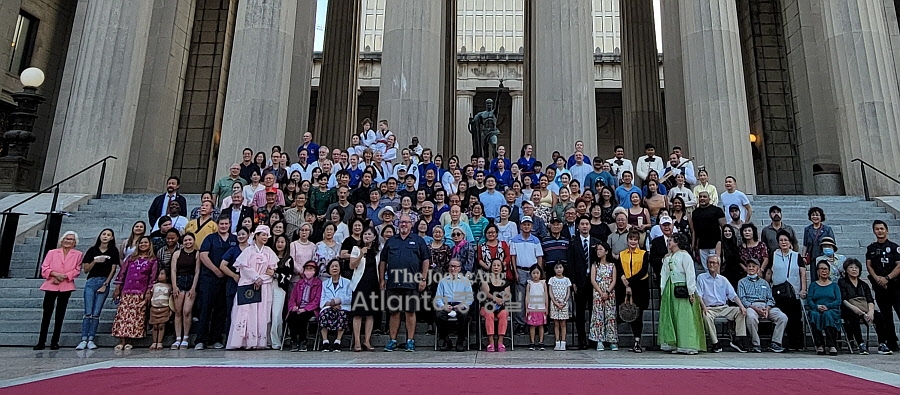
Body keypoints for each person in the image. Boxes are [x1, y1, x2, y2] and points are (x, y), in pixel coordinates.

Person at [380, 214, 431, 352]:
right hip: (393, 283)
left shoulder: (418, 240)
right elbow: (383, 261)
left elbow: (426, 260)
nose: (404, 224)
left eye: (406, 222)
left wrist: (424, 279)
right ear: (398, 224)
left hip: (411, 283)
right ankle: (393, 340)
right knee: (394, 313)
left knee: (410, 312)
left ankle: (410, 340)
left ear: (411, 224)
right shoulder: (391, 241)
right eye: (401, 222)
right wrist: (382, 279)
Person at [226, 225, 277, 350]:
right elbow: (243, 268)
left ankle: (258, 341)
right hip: (248, 285)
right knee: (245, 312)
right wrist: (255, 277)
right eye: (263, 235)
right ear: (256, 236)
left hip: (263, 286)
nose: (265, 237)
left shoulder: (269, 252)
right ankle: (242, 341)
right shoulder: (248, 251)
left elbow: (271, 270)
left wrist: (261, 279)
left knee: (261, 313)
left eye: (266, 235)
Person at [658, 233, 706, 354]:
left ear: (678, 242)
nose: (669, 242)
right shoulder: (668, 258)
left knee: (684, 315)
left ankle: (688, 344)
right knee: (672, 315)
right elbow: (663, 275)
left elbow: (690, 273)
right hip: (670, 287)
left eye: (671, 240)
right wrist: (663, 290)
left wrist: (691, 291)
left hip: (682, 287)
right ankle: (674, 342)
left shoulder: (685, 256)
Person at [34, 232, 83, 350]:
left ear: (75, 242)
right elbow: (45, 267)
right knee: (46, 314)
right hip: (51, 284)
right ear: (62, 240)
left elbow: (77, 269)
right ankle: (41, 341)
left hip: (66, 285)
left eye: (71, 239)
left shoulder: (78, 254)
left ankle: (54, 341)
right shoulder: (52, 252)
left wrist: (64, 276)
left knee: (60, 314)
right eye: (66, 238)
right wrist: (55, 275)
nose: (68, 241)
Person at [195, 217, 238, 350]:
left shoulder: (234, 239)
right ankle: (200, 340)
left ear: (230, 224)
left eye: (226, 223)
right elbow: (203, 255)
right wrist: (216, 270)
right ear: (217, 225)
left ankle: (216, 339)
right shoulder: (210, 238)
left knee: (221, 310)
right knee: (206, 309)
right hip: (209, 278)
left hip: (227, 280)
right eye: (221, 224)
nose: (224, 226)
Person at [75, 229, 120, 351]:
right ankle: (83, 338)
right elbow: (86, 269)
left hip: (104, 281)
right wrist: (95, 261)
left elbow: (113, 269)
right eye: (104, 234)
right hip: (91, 282)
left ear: (112, 238)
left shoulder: (113, 251)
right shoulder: (92, 250)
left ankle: (91, 339)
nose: (105, 236)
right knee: (88, 312)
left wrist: (106, 283)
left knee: (96, 313)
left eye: (108, 235)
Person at [111, 236, 158, 350]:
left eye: (145, 242)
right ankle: (122, 340)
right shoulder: (131, 258)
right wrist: (118, 288)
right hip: (127, 290)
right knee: (123, 316)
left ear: (150, 245)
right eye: (141, 243)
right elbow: (122, 273)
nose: (143, 244)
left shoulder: (153, 260)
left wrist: (148, 292)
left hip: (140, 291)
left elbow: (152, 278)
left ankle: (130, 341)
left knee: (136, 316)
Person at [839, 258, 893, 355]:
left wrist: (871, 312)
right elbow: (844, 300)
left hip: (865, 308)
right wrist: (858, 311)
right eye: (851, 267)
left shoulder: (863, 284)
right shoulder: (842, 282)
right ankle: (860, 343)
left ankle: (882, 344)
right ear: (846, 270)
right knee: (853, 317)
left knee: (879, 317)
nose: (854, 269)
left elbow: (870, 300)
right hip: (849, 308)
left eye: (856, 268)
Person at [696, 255, 748, 352]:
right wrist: (703, 307)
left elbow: (733, 295)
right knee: (706, 315)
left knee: (740, 311)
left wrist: (742, 306)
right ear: (707, 264)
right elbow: (699, 295)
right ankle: (715, 343)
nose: (712, 264)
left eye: (714, 263)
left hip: (724, 307)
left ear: (718, 265)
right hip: (709, 308)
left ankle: (738, 339)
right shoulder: (701, 278)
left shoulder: (723, 279)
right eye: (710, 262)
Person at [865, 220, 900, 353]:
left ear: (886, 230)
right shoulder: (871, 248)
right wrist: (877, 279)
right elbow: (869, 265)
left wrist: (887, 278)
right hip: (880, 286)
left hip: (895, 286)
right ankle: (891, 342)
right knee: (886, 316)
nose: (879, 231)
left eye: (881, 228)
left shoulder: (894, 247)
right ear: (874, 231)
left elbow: (899, 265)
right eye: (877, 229)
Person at [738, 258, 788, 353]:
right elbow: (743, 299)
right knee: (750, 317)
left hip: (765, 306)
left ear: (758, 268)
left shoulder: (764, 282)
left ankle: (775, 343)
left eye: (753, 266)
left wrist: (767, 309)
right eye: (749, 266)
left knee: (782, 317)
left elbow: (771, 299)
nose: (751, 268)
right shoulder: (742, 282)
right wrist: (756, 309)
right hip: (751, 306)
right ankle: (756, 344)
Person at [769, 230, 807, 351]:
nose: (783, 242)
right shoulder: (774, 255)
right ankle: (780, 342)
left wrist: (803, 289)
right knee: (781, 316)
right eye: (781, 240)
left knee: (795, 318)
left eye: (786, 240)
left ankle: (796, 344)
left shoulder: (796, 255)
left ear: (790, 242)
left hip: (793, 292)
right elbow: (769, 272)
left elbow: (803, 273)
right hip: (778, 292)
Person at [566, 216, 598, 350]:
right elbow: (570, 264)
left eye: (587, 224)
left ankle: (594, 339)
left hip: (593, 282)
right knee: (579, 313)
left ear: (590, 226)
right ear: (578, 226)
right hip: (579, 282)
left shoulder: (597, 242)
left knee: (593, 311)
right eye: (582, 224)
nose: (585, 226)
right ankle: (581, 340)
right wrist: (572, 281)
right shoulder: (573, 243)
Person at [616, 230, 650, 353]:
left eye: (635, 239)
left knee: (638, 315)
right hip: (624, 287)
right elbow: (619, 269)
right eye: (631, 239)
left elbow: (643, 271)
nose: (633, 241)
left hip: (639, 287)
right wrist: (624, 281)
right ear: (627, 240)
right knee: (628, 313)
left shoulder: (644, 253)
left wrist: (629, 281)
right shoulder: (621, 254)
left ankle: (637, 340)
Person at [510, 216, 544, 330]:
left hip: (533, 271)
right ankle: (521, 323)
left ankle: (534, 320)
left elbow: (539, 257)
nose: (526, 226)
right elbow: (513, 257)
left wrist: (538, 271)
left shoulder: (535, 240)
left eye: (528, 224)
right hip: (520, 270)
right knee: (520, 298)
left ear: (532, 226)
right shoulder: (514, 240)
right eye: (524, 224)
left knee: (534, 297)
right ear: (521, 226)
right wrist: (515, 272)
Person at [350, 227, 381, 351]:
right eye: (365, 234)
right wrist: (361, 254)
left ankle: (367, 341)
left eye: (370, 234)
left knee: (370, 314)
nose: (367, 236)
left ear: (374, 237)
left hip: (373, 284)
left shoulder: (378, 251)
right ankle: (357, 342)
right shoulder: (356, 249)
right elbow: (352, 265)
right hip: (359, 284)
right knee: (357, 314)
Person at [434, 258, 474, 352]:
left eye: (456, 267)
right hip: (446, 304)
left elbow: (469, 298)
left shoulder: (465, 281)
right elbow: (438, 298)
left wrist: (462, 305)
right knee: (439, 315)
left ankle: (460, 341)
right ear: (448, 268)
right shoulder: (443, 281)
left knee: (464, 315)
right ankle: (445, 340)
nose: (453, 269)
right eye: (451, 266)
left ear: (460, 268)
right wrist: (443, 306)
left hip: (460, 304)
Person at [170, 233, 200, 350]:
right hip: (179, 281)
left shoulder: (196, 254)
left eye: (190, 240)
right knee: (178, 311)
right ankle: (178, 338)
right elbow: (173, 270)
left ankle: (186, 338)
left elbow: (197, 271)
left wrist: (193, 287)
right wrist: (174, 286)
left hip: (191, 281)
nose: (188, 242)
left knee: (187, 311)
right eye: (186, 240)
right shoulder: (177, 253)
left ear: (193, 241)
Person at [807, 260, 842, 355]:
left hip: (831, 310)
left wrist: (828, 306)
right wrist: (816, 306)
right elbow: (809, 299)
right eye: (821, 269)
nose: (824, 271)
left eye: (826, 269)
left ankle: (832, 345)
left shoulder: (834, 286)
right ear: (817, 271)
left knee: (827, 315)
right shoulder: (813, 285)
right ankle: (820, 345)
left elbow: (838, 301)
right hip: (816, 309)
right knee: (814, 315)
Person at [285, 261, 321, 352]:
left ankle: (303, 341)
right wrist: (293, 306)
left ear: (315, 271)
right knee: (291, 316)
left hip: (310, 308)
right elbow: (292, 298)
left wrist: (305, 309)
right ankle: (293, 341)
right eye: (307, 269)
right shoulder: (299, 283)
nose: (309, 271)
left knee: (302, 318)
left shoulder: (318, 283)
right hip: (298, 307)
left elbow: (317, 300)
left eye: (311, 269)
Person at [589, 241, 618, 351]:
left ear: (606, 251)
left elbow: (614, 280)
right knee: (598, 316)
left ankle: (612, 340)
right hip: (598, 293)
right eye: (597, 249)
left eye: (600, 249)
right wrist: (601, 292)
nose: (598, 251)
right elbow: (593, 279)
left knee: (610, 316)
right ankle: (599, 340)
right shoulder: (595, 265)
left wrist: (607, 291)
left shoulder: (612, 265)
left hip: (609, 293)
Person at [318, 259, 351, 352]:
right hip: (329, 307)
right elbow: (322, 299)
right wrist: (330, 304)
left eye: (337, 266)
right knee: (324, 314)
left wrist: (339, 301)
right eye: (332, 266)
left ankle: (338, 341)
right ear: (329, 269)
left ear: (340, 268)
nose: (334, 268)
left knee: (342, 315)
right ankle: (325, 341)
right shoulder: (324, 283)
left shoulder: (347, 282)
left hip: (342, 306)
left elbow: (350, 298)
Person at [481, 258, 512, 351]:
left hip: (500, 307)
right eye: (494, 265)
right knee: (489, 314)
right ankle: (491, 343)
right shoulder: (485, 279)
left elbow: (507, 295)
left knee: (504, 314)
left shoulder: (506, 282)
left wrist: (501, 300)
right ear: (491, 267)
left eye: (498, 265)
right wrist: (496, 299)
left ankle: (500, 342)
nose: (496, 267)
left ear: (502, 268)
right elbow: (486, 293)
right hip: (487, 306)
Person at [691, 191, 726, 270]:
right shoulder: (695, 213)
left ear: (709, 198)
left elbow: (724, 227)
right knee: (706, 269)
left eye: (704, 197)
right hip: (702, 246)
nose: (702, 198)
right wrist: (694, 245)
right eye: (700, 197)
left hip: (715, 245)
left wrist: (723, 243)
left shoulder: (717, 210)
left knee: (716, 268)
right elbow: (694, 230)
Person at [270, 234, 293, 349]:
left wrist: (275, 274)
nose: (279, 244)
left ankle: (276, 340)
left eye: (282, 242)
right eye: (278, 242)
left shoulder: (288, 259)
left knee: (276, 315)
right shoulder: (269, 255)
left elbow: (288, 277)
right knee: (265, 315)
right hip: (266, 286)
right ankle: (265, 340)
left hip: (280, 288)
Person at [528, 265, 551, 351]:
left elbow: (546, 295)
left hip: (541, 307)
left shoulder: (543, 283)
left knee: (541, 325)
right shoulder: (529, 283)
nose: (535, 275)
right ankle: (532, 342)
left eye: (537, 273)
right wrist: (527, 308)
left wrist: (546, 307)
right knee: (532, 326)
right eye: (533, 273)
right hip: (532, 307)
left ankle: (541, 342)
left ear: (540, 274)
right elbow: (527, 296)